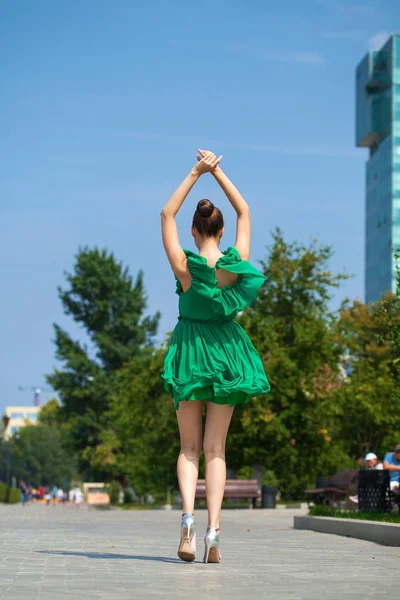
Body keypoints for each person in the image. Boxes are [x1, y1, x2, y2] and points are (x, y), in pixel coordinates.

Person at [161, 150, 270, 564]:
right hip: (226, 351)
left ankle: (187, 521)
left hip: (190, 349)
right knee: (215, 450)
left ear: (194, 231)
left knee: (188, 447)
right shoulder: (234, 263)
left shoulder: (183, 265)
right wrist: (218, 171)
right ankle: (213, 535)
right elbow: (244, 209)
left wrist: (194, 172)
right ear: (221, 230)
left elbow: (165, 214)